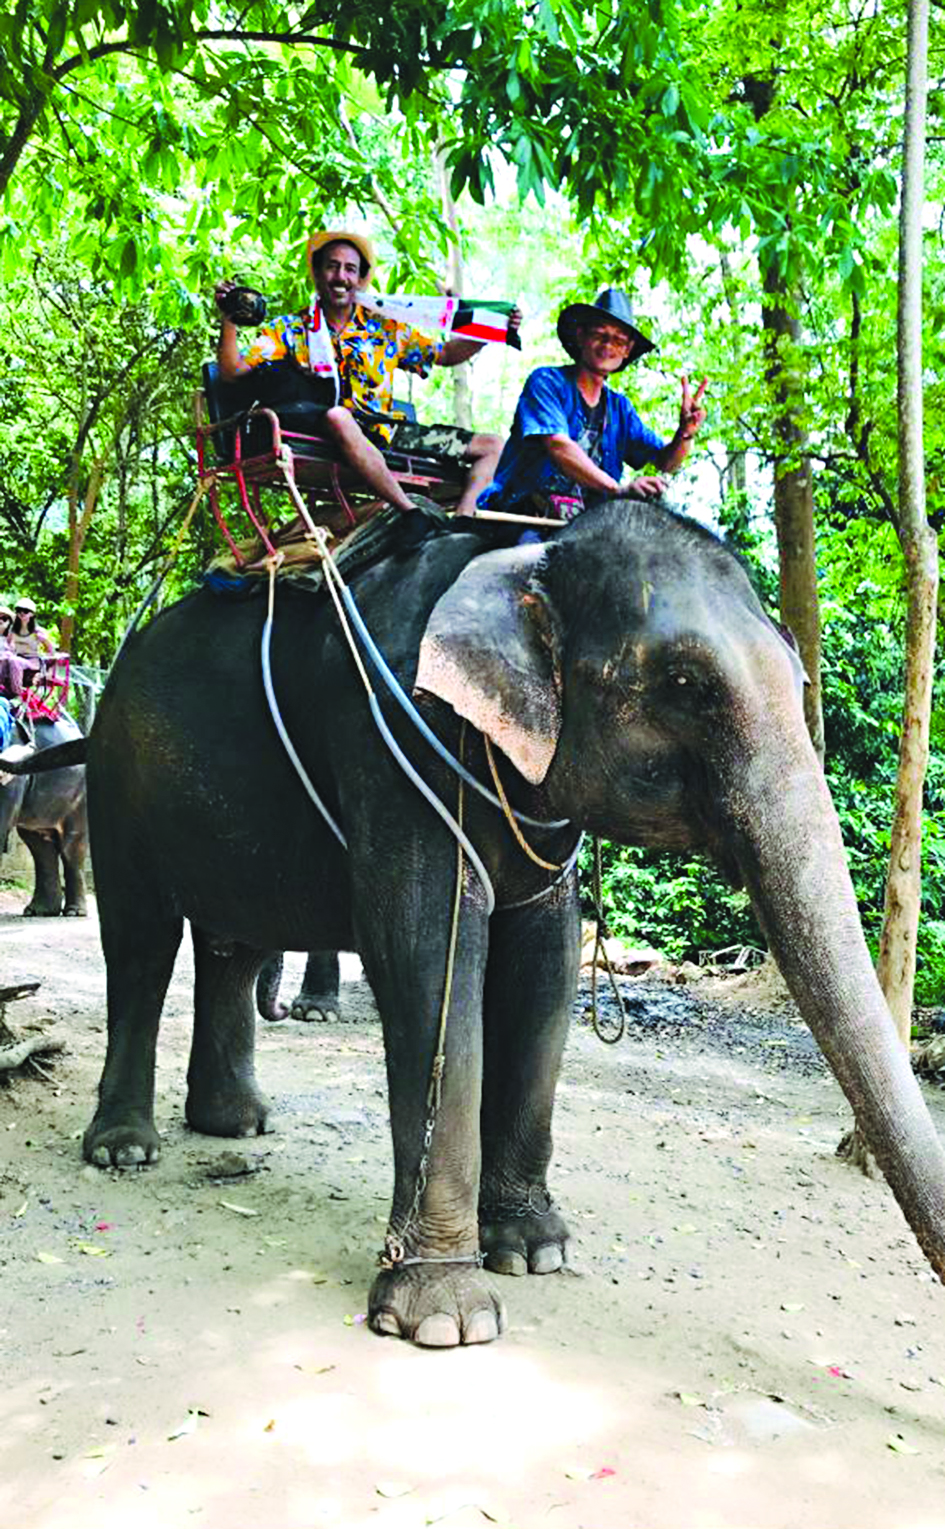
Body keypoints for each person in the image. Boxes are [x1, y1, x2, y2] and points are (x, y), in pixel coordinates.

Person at [215, 230, 520, 516]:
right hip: (330, 429)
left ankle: (463, 521)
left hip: (387, 431)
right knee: (339, 416)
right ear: (318, 275)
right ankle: (410, 514)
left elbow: (445, 354)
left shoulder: (385, 326)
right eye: (332, 267)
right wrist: (229, 317)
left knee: (494, 447)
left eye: (350, 269)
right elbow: (233, 371)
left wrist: (492, 330)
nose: (341, 276)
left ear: (360, 280)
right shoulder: (293, 329)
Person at [477, 288, 706, 522]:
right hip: (524, 515)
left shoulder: (621, 409)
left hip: (589, 525)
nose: (608, 345)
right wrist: (617, 490)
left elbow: (666, 462)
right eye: (600, 334)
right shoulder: (546, 382)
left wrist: (684, 434)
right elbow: (558, 446)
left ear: (626, 351)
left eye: (618, 340)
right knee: (532, 553)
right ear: (581, 336)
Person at [9, 598, 57, 686]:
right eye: (19, 611)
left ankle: (16, 690)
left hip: (32, 662)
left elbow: (51, 651)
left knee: (14, 661)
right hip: (17, 659)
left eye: (25, 611)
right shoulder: (12, 630)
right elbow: (8, 646)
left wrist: (48, 670)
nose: (22, 614)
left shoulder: (37, 631)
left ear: (32, 614)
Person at [0, 605, 25, 698]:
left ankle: (16, 694)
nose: (0, 621)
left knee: (14, 661)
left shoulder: (11, 639)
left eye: (4, 618)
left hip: (7, 672)